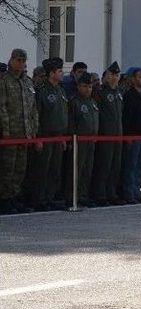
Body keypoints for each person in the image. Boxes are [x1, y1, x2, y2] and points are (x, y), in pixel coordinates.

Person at [0, 49, 38, 214]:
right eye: (18, 60)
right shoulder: (4, 81)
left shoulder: (27, 82)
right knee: (8, 168)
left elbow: (33, 109)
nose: (21, 64)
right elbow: (2, 108)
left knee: (20, 168)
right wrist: (6, 131)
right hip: (11, 133)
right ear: (12, 60)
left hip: (25, 133)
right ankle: (5, 199)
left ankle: (15, 197)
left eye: (23, 61)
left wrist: (33, 131)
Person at [30, 57, 67, 211]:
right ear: (51, 73)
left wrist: (63, 137)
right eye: (59, 71)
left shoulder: (60, 90)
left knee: (55, 169)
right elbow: (36, 114)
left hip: (58, 135)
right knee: (42, 169)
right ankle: (39, 198)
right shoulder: (41, 90)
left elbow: (63, 114)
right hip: (45, 135)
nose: (62, 73)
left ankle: (50, 197)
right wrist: (37, 137)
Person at [92, 62, 124, 206]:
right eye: (111, 75)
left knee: (115, 166)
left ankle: (111, 193)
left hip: (118, 134)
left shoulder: (119, 92)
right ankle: (100, 194)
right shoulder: (100, 92)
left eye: (116, 75)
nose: (114, 78)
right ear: (105, 76)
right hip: (105, 134)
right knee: (104, 165)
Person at [65, 72, 99, 207]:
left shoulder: (92, 101)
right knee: (75, 169)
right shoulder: (74, 101)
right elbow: (71, 122)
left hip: (90, 140)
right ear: (79, 86)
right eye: (85, 86)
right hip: (78, 141)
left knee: (87, 169)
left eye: (90, 87)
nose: (88, 89)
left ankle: (83, 195)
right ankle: (71, 197)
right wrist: (71, 140)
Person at [121, 67, 141, 203]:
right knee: (131, 165)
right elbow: (127, 117)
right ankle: (129, 193)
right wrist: (128, 135)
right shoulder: (129, 95)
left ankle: (137, 193)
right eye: (140, 77)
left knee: (140, 166)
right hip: (133, 136)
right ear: (133, 79)